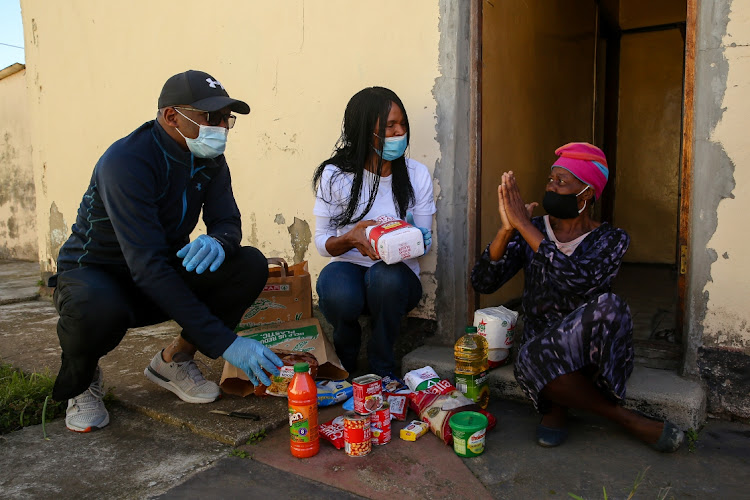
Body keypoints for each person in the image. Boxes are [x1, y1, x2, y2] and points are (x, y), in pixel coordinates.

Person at [50, 70, 283, 433]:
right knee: (92, 308)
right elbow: (146, 264)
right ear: (171, 116)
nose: (220, 127)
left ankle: (173, 360)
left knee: (249, 263)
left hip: (156, 270)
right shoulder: (127, 162)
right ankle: (81, 383)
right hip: (97, 275)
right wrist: (227, 344)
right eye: (210, 117)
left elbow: (228, 221)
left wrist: (219, 241)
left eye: (226, 118)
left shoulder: (208, 158)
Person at [471, 142, 684, 452]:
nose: (551, 186)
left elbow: (574, 279)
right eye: (550, 178)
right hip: (542, 346)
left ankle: (559, 403)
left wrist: (527, 230)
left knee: (610, 307)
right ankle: (624, 419)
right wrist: (507, 230)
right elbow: (483, 281)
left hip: (587, 352)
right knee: (531, 355)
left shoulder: (612, 239)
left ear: (586, 194)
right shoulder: (533, 228)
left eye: (562, 181)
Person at [312, 87, 435, 378]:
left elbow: (425, 244)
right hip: (349, 268)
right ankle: (346, 359)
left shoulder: (416, 174)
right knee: (336, 289)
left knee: (384, 276)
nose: (399, 132)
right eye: (389, 126)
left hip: (397, 279)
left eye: (402, 124)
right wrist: (349, 238)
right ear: (364, 131)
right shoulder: (336, 176)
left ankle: (383, 366)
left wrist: (410, 238)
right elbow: (321, 242)